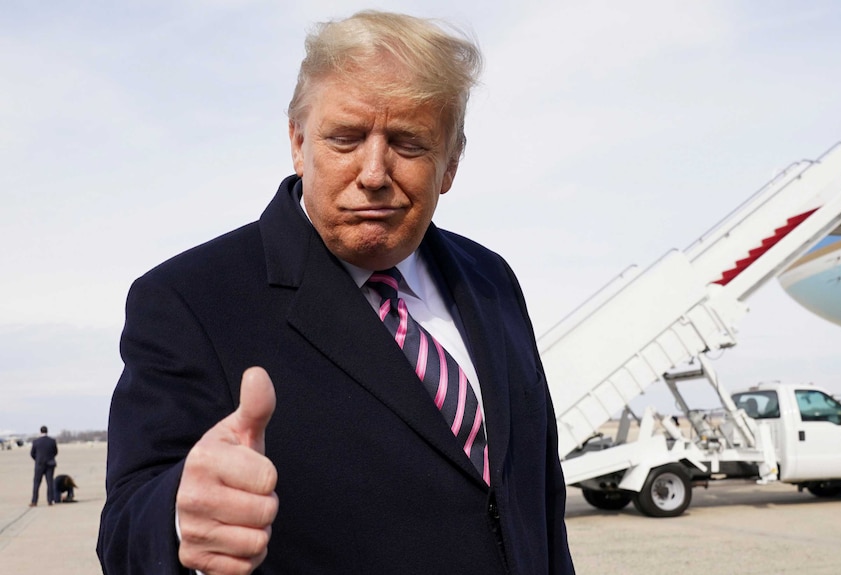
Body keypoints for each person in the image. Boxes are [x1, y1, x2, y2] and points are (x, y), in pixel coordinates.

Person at [97, 10, 575, 575]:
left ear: (450, 162)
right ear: (299, 144)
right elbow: (124, 536)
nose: (374, 172)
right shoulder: (187, 301)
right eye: (345, 138)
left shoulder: (492, 280)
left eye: (409, 143)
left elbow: (538, 502)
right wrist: (178, 514)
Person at [30, 425, 58, 507]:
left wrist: (38, 459)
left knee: (36, 483)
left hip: (39, 465)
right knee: (50, 483)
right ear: (47, 431)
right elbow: (55, 452)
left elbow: (32, 453)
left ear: (40, 431)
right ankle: (50, 500)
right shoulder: (52, 441)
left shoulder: (36, 441)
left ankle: (34, 501)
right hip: (50, 464)